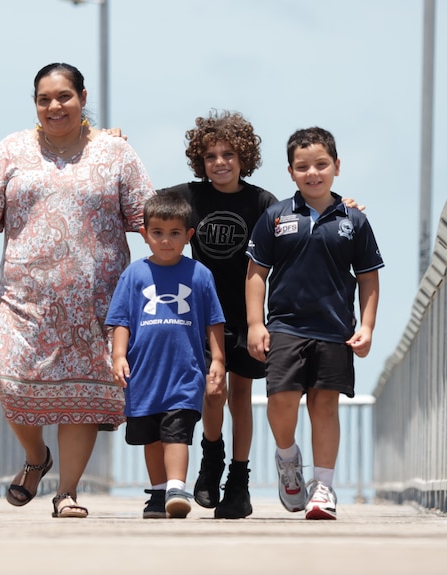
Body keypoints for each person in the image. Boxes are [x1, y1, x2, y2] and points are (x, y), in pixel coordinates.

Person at [0, 62, 154, 519]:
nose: (54, 106)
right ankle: (35, 457)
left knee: (82, 396)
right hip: (24, 299)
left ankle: (67, 492)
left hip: (98, 300)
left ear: (82, 97)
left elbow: (151, 218)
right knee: (11, 385)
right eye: (44, 99)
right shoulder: (10, 151)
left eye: (64, 96)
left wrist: (179, 276)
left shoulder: (115, 153)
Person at [246, 126, 383, 520]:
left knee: (325, 406)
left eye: (321, 164)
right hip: (285, 325)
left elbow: (369, 276)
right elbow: (256, 273)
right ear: (290, 172)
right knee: (281, 399)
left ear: (336, 167)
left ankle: (323, 486)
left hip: (335, 329)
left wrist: (368, 326)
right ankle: (288, 458)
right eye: (303, 166)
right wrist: (257, 324)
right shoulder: (275, 216)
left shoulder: (353, 220)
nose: (313, 173)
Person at [159, 110, 276, 519]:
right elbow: (141, 203)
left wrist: (340, 205)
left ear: (244, 157)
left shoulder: (262, 202)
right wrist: (110, 146)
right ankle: (211, 456)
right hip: (203, 314)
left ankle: (238, 481)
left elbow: (300, 219)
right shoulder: (190, 197)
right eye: (210, 156)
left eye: (228, 154)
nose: (220, 162)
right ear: (200, 161)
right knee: (212, 390)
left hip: (246, 316)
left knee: (241, 394)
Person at [106, 191, 226, 519]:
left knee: (177, 432)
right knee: (151, 436)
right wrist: (119, 356)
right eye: (157, 233)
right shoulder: (134, 274)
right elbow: (121, 321)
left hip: (185, 373)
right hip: (143, 375)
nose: (166, 241)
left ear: (188, 236)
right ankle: (158, 494)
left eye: (175, 234)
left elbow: (214, 321)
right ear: (144, 235)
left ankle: (176, 488)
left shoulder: (199, 274)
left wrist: (217, 360)